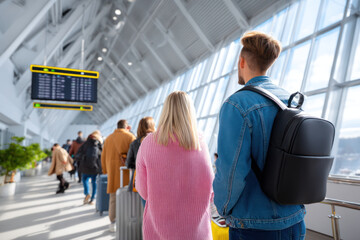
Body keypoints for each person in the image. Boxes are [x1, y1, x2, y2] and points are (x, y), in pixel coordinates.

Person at [213, 31, 306, 240]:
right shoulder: (292, 102)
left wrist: (222, 207)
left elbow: (232, 171)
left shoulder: (237, 105)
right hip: (295, 220)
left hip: (254, 226)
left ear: (242, 61)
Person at [136, 91, 214, 240]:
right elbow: (210, 186)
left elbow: (143, 190)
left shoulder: (148, 142)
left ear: (165, 111)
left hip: (157, 229)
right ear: (189, 112)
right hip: (196, 231)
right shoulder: (199, 142)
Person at [101, 120, 136, 232]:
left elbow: (103, 156)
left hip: (112, 171)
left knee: (113, 198)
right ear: (127, 127)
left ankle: (112, 222)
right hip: (126, 172)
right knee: (128, 197)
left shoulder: (109, 138)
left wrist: (105, 170)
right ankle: (127, 221)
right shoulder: (130, 137)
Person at [126, 117, 156, 205]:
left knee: (146, 207)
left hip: (141, 179)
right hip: (157, 179)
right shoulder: (159, 141)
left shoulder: (135, 143)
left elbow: (128, 163)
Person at [76, 130, 103, 205]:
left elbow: (79, 154)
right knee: (94, 182)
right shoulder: (99, 144)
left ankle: (87, 193)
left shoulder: (85, 143)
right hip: (95, 167)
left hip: (85, 166)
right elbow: (102, 155)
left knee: (85, 180)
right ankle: (92, 199)